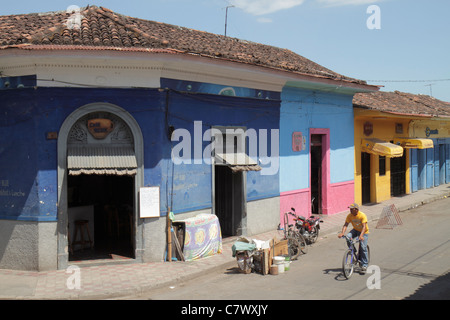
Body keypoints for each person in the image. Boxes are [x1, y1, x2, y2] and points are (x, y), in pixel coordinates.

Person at [338, 203, 369, 274]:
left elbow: (364, 227)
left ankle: (364, 265)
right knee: (348, 237)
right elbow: (346, 224)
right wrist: (342, 233)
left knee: (363, 247)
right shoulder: (350, 216)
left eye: (352, 209)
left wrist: (361, 236)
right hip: (355, 230)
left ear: (356, 209)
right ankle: (353, 250)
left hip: (364, 232)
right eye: (350, 209)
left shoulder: (362, 215)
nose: (350, 210)